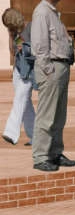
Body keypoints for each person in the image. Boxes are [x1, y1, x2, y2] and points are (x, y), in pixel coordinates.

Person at [29, 0, 75, 172]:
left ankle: (55, 153)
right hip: (52, 69)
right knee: (47, 114)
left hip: (62, 67)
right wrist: (48, 70)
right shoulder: (42, 13)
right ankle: (40, 156)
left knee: (59, 115)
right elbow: (39, 47)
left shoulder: (54, 14)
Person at [2, 8, 34, 147]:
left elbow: (37, 50)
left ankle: (11, 133)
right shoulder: (14, 33)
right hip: (18, 71)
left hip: (28, 71)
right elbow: (12, 52)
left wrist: (26, 47)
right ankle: (36, 136)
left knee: (20, 99)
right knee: (26, 105)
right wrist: (11, 36)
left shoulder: (30, 28)